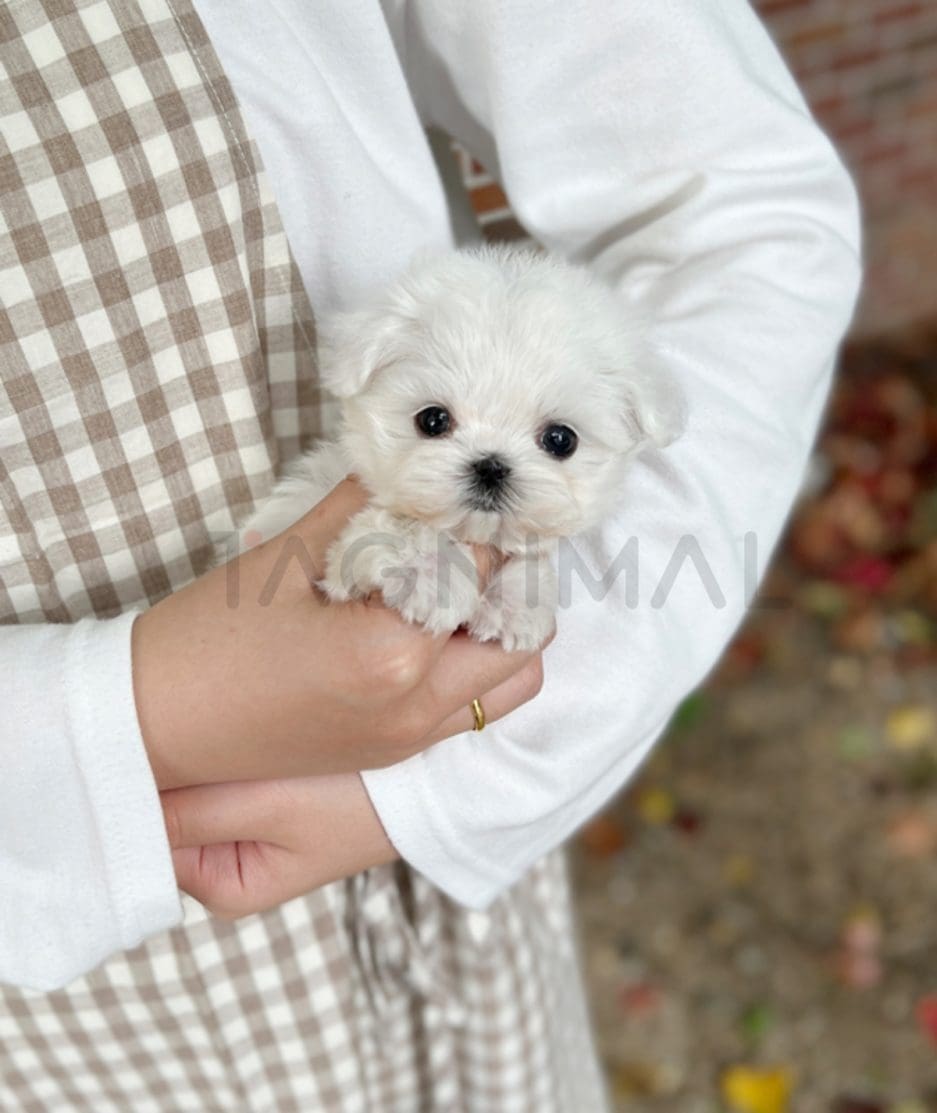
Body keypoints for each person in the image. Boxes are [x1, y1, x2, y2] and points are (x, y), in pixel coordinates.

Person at [0, 1, 861, 1109]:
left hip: (393, 847)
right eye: (439, 424)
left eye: (551, 442)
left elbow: (738, 208)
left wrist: (482, 750)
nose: (491, 469)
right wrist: (114, 726)